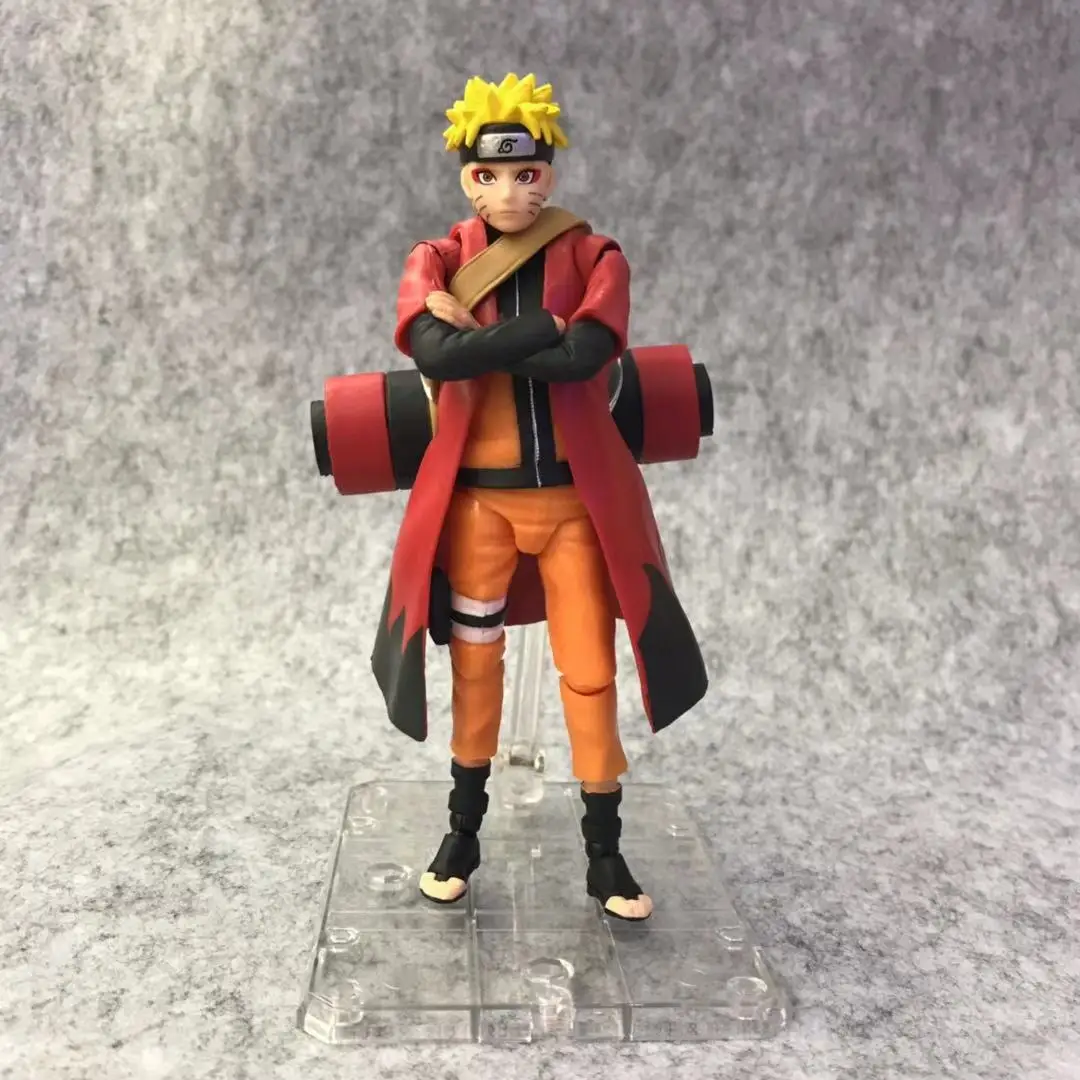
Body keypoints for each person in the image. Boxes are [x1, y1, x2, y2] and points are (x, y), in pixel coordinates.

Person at [371, 73, 708, 921]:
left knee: (590, 673)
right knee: (473, 668)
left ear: (548, 173)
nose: (511, 190)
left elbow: (583, 358)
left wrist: (478, 334)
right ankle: (462, 832)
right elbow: (433, 356)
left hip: (572, 508)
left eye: (527, 173)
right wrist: (535, 331)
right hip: (477, 508)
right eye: (490, 174)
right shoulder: (436, 259)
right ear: (468, 178)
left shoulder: (596, 257)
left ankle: (605, 852)